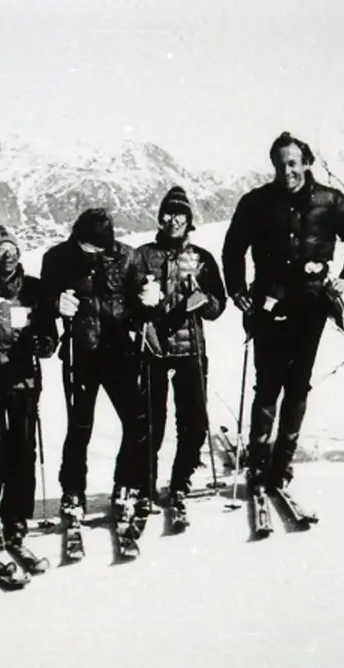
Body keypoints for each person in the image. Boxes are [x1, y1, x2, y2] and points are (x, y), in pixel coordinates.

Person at [222, 131, 344, 490]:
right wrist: (238, 291)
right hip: (267, 304)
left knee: (298, 384)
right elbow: (232, 249)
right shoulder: (256, 202)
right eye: (279, 164)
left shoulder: (330, 201)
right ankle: (259, 465)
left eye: (292, 163)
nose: (285, 170)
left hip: (311, 304)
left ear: (307, 162)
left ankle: (282, 464)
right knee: (268, 383)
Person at [40, 207, 152, 525]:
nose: (90, 254)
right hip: (80, 350)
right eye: (85, 246)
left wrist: (148, 301)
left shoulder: (128, 257)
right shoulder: (58, 257)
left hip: (119, 349)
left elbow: (141, 306)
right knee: (80, 426)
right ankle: (73, 491)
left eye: (96, 249)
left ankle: (125, 486)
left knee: (135, 421)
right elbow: (44, 301)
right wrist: (55, 304)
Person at [129, 186, 227, 521]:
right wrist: (141, 303)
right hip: (153, 349)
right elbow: (127, 304)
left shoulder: (201, 258)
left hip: (191, 351)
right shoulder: (142, 255)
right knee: (151, 422)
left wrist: (204, 300)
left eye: (180, 213)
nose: (174, 220)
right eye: (168, 213)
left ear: (189, 219)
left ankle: (181, 481)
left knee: (195, 422)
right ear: (160, 217)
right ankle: (146, 485)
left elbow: (218, 306)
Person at [0, 226, 57, 563]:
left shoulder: (34, 288)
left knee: (23, 449)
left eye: (12, 250)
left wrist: (44, 343)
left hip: (23, 380)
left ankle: (16, 516)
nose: (6, 257)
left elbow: (49, 331)